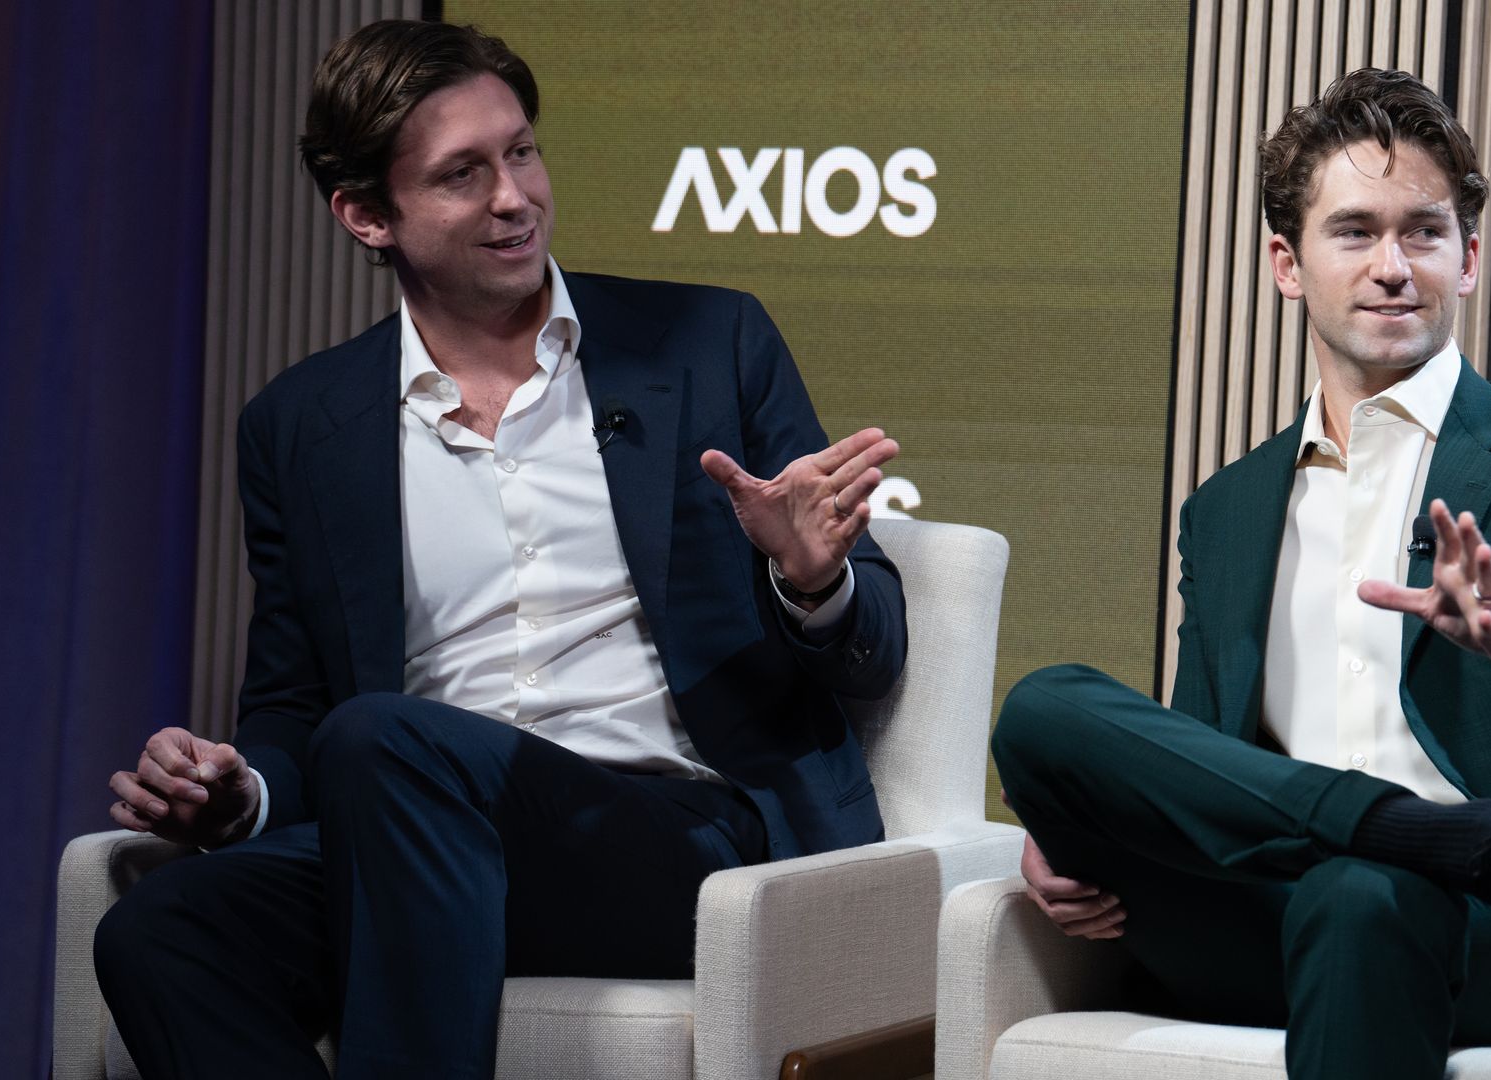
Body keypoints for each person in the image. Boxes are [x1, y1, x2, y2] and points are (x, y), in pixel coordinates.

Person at [92, 20, 906, 1079]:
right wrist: (237, 793)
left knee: (384, 740)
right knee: (162, 929)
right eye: (462, 175)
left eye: (520, 151)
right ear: (367, 215)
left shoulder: (710, 344)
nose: (514, 197)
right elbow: (292, 709)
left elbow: (875, 645)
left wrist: (812, 576)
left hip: (671, 840)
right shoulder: (300, 428)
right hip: (415, 846)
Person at [992, 68, 1491, 1079]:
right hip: (1271, 915)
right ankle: (1465, 840)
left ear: (1469, 257)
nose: (1394, 266)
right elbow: (1212, 768)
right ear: (1287, 263)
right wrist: (1090, 832)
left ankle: (1477, 857)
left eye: (1424, 232)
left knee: (1365, 895)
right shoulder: (1224, 510)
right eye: (1354, 232)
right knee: (1045, 711)